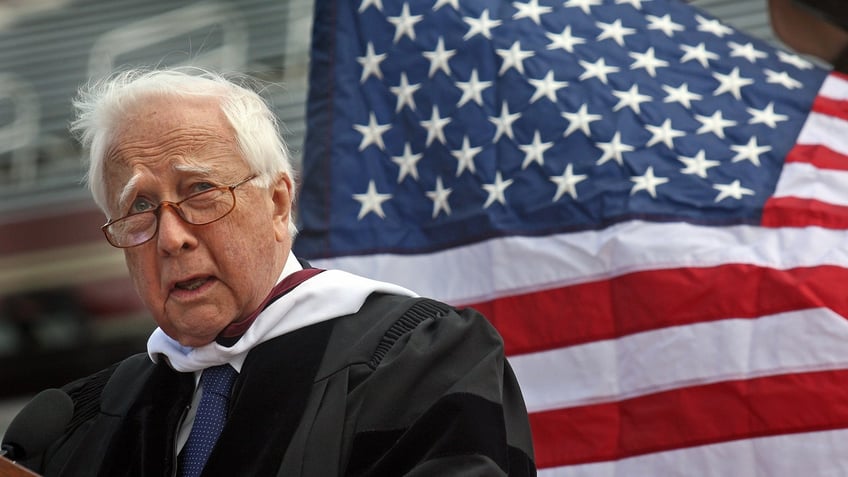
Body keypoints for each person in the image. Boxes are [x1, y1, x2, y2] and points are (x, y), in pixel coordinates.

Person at [13, 67, 537, 476]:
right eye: (140, 209)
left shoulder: (418, 360)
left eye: (200, 192)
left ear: (279, 203)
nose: (172, 238)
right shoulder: (76, 424)